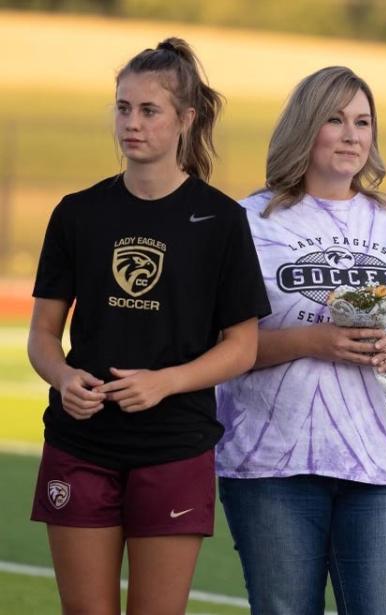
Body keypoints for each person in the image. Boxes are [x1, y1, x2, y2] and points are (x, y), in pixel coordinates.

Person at [27, 38, 270, 614]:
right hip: (79, 445)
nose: (131, 123)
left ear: (185, 119)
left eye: (148, 110)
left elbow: (242, 348)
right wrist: (63, 379)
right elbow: (42, 337)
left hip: (175, 447)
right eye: (122, 108)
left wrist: (165, 382)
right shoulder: (77, 213)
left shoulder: (222, 221)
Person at [215, 66, 386, 615]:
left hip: (382, 467)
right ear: (305, 126)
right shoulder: (248, 223)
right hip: (273, 465)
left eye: (363, 122)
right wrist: (311, 341)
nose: (351, 135)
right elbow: (218, 347)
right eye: (334, 118)